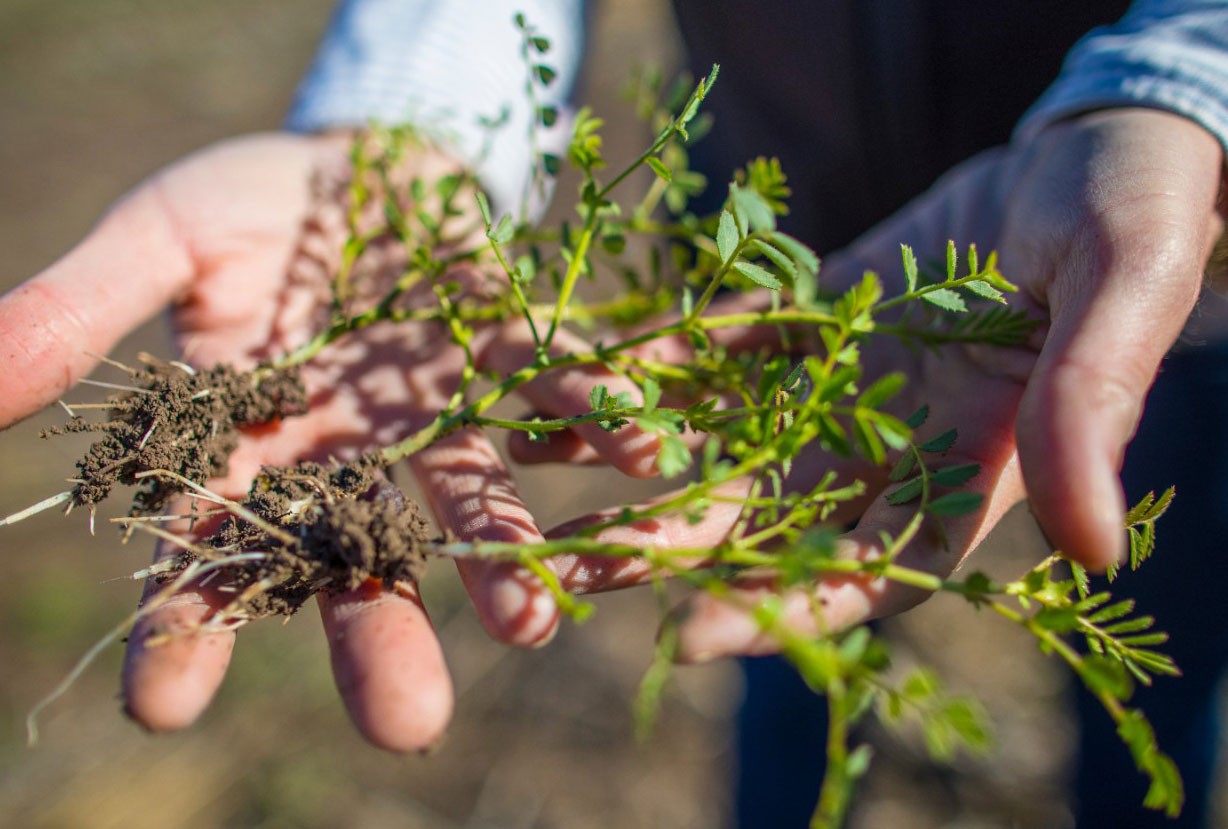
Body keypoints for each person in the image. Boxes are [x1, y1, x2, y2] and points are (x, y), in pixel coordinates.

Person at [0, 0, 1224, 825]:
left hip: (1141, 278)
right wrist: (407, 121)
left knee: (1143, 590)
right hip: (768, 274)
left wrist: (1179, 81)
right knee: (770, 617)